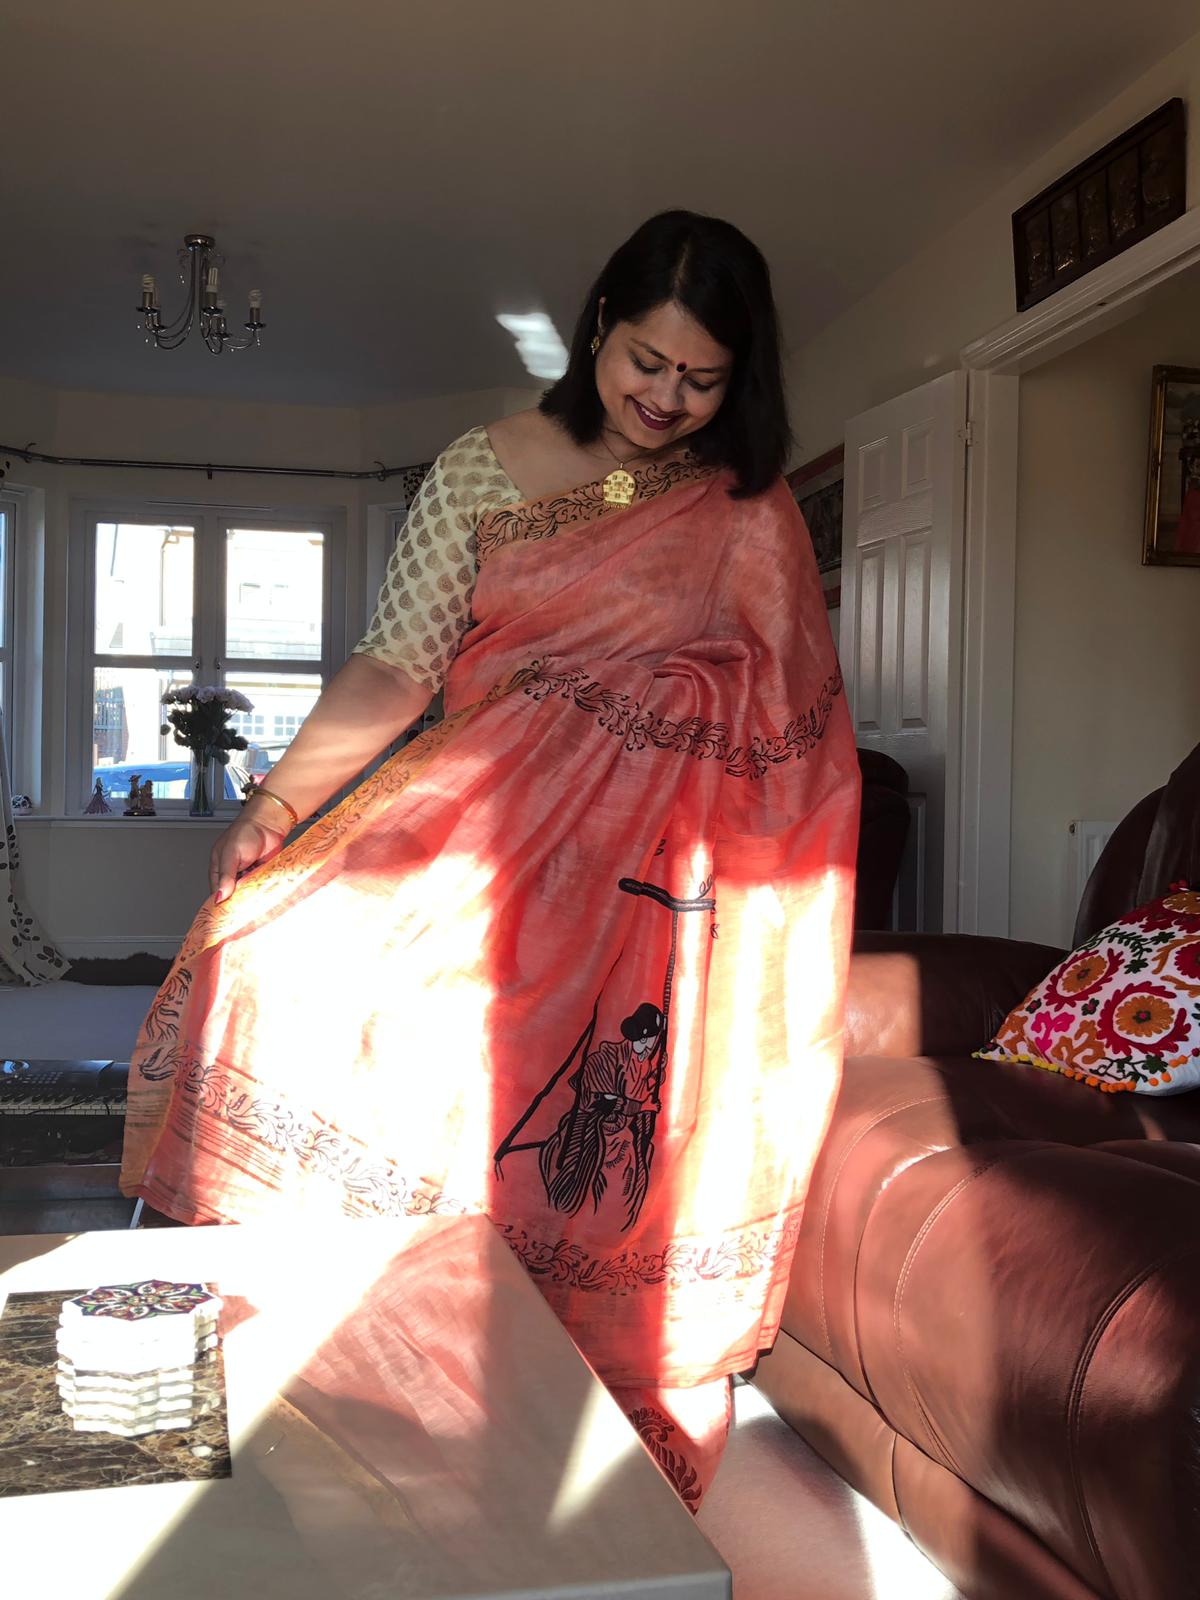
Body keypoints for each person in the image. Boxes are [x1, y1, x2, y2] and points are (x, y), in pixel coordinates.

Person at [120, 210, 860, 1509]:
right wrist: (278, 805)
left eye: (703, 379)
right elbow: (396, 665)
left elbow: (800, 721)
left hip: (644, 890)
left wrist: (672, 722)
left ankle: (527, 1428)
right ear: (598, 328)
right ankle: (356, 1368)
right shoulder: (485, 466)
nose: (666, 400)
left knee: (565, 1130)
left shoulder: (747, 508)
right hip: (469, 835)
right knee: (276, 971)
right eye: (646, 361)